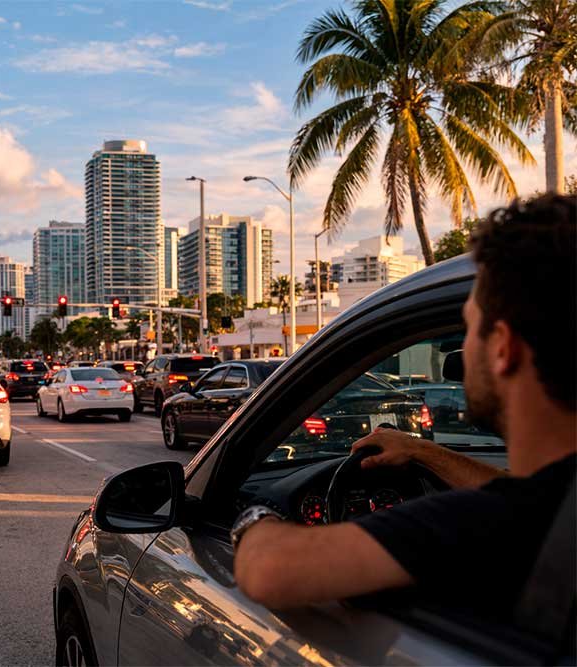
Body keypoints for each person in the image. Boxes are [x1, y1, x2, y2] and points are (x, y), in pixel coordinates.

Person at [232, 194, 576, 621]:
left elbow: (268, 571)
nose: (463, 353)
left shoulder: (492, 525)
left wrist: (255, 514)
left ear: (503, 347)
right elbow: (515, 491)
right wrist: (421, 451)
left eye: (469, 327)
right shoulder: (549, 506)